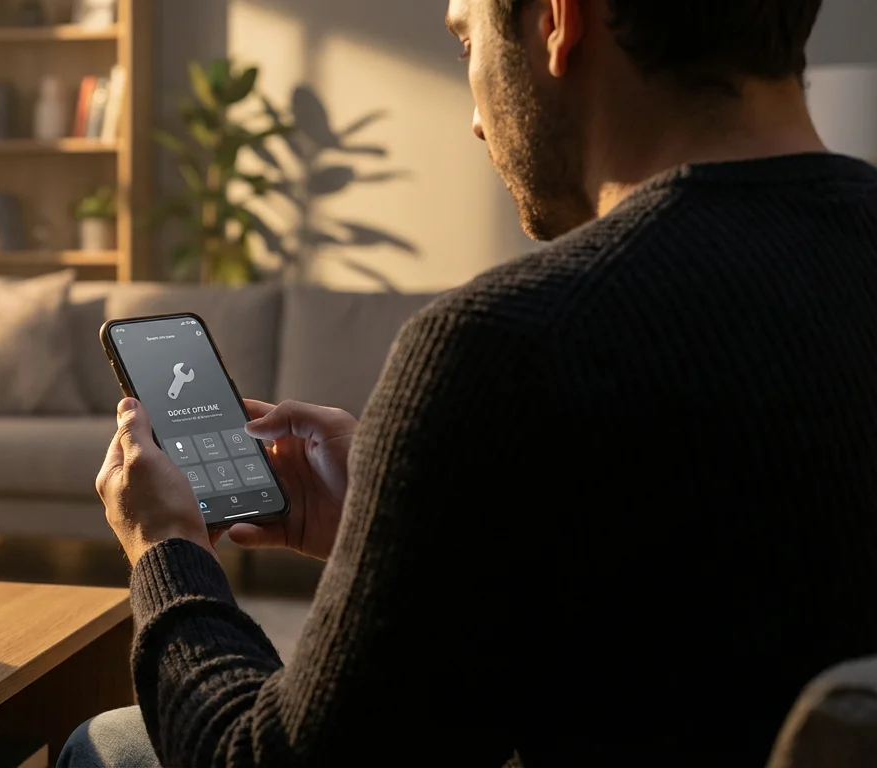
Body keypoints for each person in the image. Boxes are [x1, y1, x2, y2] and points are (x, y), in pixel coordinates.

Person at [59, 0, 877, 764]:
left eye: (466, 40)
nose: (477, 120)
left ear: (558, 22)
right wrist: (411, 537)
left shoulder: (511, 345)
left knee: (106, 745)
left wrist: (167, 548)